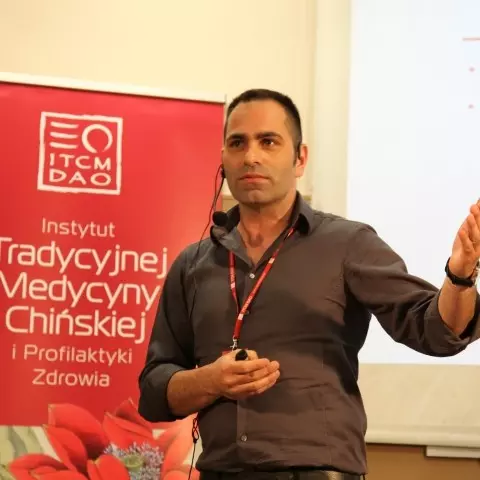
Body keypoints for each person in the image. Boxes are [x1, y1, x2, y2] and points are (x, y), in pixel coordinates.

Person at [138, 89, 480, 480]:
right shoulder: (193, 264)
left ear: (300, 158)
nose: (251, 156)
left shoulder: (347, 244)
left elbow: (435, 331)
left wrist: (459, 275)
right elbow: (154, 392)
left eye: (268, 141)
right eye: (238, 143)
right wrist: (209, 381)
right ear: (223, 159)